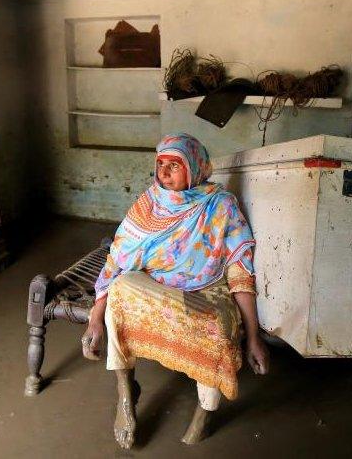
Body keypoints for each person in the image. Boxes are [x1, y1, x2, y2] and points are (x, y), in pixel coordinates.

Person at [81, 133, 269, 448]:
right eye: (161, 165)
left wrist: (253, 336)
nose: (164, 173)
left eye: (174, 165)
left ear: (195, 168)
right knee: (121, 291)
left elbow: (239, 269)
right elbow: (116, 262)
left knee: (216, 326)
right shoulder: (148, 203)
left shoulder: (220, 205)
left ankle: (204, 411)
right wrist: (94, 321)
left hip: (205, 288)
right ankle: (125, 393)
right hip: (154, 287)